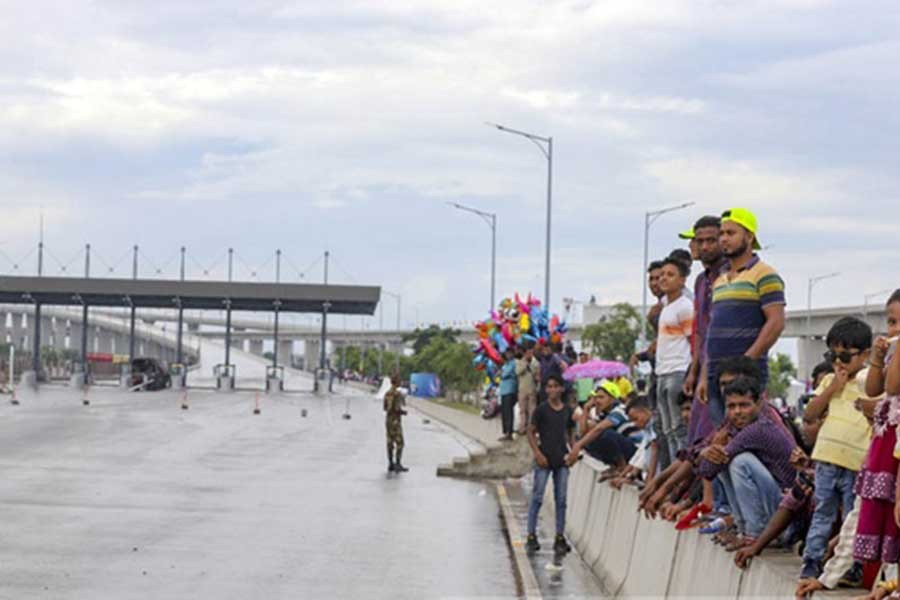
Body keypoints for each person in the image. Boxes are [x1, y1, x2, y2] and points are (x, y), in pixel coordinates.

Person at [799, 316, 874, 580]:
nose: (839, 361)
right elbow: (810, 414)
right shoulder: (829, 380)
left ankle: (852, 565)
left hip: (857, 462)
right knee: (823, 513)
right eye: (833, 354)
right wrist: (832, 388)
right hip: (827, 460)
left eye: (845, 355)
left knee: (853, 518)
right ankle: (812, 559)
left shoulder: (870, 383)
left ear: (865, 354)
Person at [698, 208, 786, 426]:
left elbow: (776, 323)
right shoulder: (720, 280)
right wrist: (704, 375)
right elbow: (712, 332)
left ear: (749, 236)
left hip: (745, 374)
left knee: (746, 434)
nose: (724, 239)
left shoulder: (765, 274)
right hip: (716, 373)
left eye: (731, 233)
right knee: (722, 435)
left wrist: (746, 362)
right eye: (722, 234)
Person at [697, 376, 797, 551]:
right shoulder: (733, 428)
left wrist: (713, 449)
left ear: (758, 404)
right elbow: (707, 470)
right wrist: (707, 451)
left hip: (787, 513)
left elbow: (707, 470)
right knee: (725, 461)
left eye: (744, 405)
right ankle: (744, 530)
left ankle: (753, 533)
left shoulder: (758, 428)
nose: (737, 412)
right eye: (731, 406)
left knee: (739, 461)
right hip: (774, 506)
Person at [682, 215, 726, 445]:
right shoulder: (701, 280)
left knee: (715, 438)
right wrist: (694, 371)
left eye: (712, 240)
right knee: (698, 437)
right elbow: (700, 329)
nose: (706, 246)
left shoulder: (730, 275)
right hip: (703, 370)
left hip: (724, 368)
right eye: (700, 241)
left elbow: (717, 330)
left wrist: (705, 374)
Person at [526, 373, 576, 555]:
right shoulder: (540, 410)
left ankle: (559, 537)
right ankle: (531, 536)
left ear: (561, 389)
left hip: (561, 460)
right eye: (549, 386)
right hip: (544, 460)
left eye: (556, 386)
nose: (552, 390)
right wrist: (537, 453)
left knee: (561, 500)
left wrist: (573, 452)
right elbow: (530, 432)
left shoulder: (567, 411)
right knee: (537, 497)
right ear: (545, 389)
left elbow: (570, 432)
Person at [655, 256, 694, 458]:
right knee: (668, 429)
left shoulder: (685, 306)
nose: (664, 279)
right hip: (662, 372)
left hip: (678, 371)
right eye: (662, 274)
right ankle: (672, 472)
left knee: (679, 429)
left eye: (670, 275)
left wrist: (691, 373)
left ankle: (682, 477)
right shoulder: (666, 306)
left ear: (682, 280)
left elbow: (693, 342)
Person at [384, 374, 409, 473]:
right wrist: (403, 412)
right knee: (400, 443)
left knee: (389, 442)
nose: (401, 382)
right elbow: (397, 408)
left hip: (388, 420)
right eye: (400, 380)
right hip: (395, 420)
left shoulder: (387, 393)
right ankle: (398, 463)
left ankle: (390, 463)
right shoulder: (397, 394)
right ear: (397, 382)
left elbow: (385, 408)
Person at [516, 344, 540, 435]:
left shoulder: (536, 363)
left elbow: (538, 375)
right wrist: (525, 364)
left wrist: (536, 376)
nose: (530, 354)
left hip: (532, 389)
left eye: (531, 352)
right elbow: (517, 372)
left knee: (532, 409)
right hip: (522, 389)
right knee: (522, 410)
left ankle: (531, 428)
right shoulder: (520, 362)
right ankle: (522, 428)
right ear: (525, 353)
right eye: (528, 352)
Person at [498, 349, 518, 441]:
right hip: (503, 390)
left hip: (510, 390)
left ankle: (509, 432)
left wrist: (501, 373)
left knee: (508, 412)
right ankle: (505, 431)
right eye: (507, 353)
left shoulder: (514, 363)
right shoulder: (506, 364)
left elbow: (504, 374)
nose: (508, 355)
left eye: (510, 353)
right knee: (504, 412)